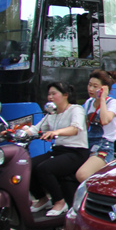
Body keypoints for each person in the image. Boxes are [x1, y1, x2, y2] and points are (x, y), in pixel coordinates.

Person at [27, 82, 88, 217]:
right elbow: (36, 129)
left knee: (44, 169)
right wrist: (18, 132)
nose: (50, 97)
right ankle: (42, 199)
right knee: (28, 165)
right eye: (49, 94)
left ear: (65, 95)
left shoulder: (76, 109)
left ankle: (60, 202)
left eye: (54, 94)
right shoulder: (52, 114)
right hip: (59, 151)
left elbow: (75, 129)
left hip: (76, 152)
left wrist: (56, 132)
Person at [75, 70, 116, 182]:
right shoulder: (89, 102)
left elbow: (105, 120)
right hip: (88, 144)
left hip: (104, 146)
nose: (90, 89)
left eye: (95, 86)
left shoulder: (113, 103)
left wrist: (102, 99)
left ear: (104, 88)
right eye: (89, 85)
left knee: (82, 174)